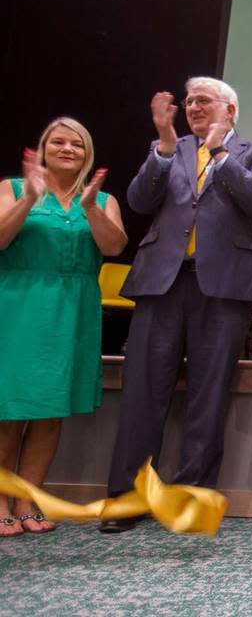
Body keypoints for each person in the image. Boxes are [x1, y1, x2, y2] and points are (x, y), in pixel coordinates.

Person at [102, 78, 252, 533]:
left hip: (223, 288)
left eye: (204, 101)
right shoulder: (169, 147)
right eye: (190, 101)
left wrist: (219, 153)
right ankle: (127, 498)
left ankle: (188, 498)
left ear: (231, 110)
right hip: (162, 283)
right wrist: (162, 147)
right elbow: (140, 200)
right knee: (143, 393)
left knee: (209, 395)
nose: (193, 107)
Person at [0, 119, 127, 537]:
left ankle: (28, 499)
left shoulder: (101, 199)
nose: (67, 148)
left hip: (74, 311)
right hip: (20, 306)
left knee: (50, 413)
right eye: (59, 141)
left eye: (77, 143)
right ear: (44, 146)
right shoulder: (13, 188)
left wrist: (90, 207)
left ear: (86, 154)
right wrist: (29, 200)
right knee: (10, 409)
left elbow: (113, 247)